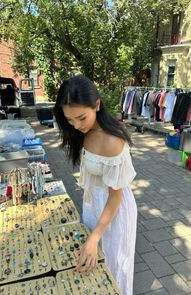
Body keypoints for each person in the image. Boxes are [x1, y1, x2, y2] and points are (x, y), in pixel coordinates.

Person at [54, 76, 137, 295]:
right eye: (70, 120)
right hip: (95, 203)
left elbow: (115, 197)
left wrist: (94, 237)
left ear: (97, 104)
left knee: (112, 265)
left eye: (81, 117)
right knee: (93, 263)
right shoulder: (84, 131)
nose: (76, 125)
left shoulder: (111, 141)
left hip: (113, 210)